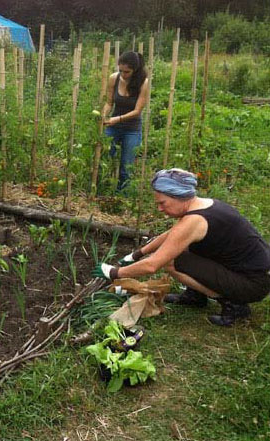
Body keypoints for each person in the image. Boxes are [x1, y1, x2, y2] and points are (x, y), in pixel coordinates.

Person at [92, 168, 270, 326]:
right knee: (183, 248)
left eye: (163, 203)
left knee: (171, 261)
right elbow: (173, 234)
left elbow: (152, 265)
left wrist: (114, 273)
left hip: (253, 283)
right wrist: (136, 254)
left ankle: (233, 304)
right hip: (253, 272)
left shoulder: (194, 221)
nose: (160, 209)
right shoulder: (204, 205)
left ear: (179, 196)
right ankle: (196, 296)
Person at [102, 51, 149, 192]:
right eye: (120, 70)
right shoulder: (113, 79)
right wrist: (104, 115)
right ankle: (102, 191)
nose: (123, 74)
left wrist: (117, 119)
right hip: (113, 126)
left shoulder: (143, 83)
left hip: (132, 129)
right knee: (104, 159)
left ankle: (122, 197)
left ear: (135, 70)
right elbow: (109, 103)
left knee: (126, 167)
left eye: (127, 72)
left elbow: (137, 111)